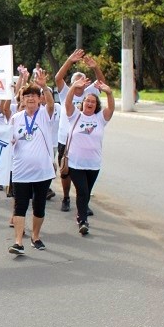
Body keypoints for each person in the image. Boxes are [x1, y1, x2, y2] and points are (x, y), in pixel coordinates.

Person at [7, 70, 55, 255]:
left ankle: (36, 236)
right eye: (27, 96)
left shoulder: (45, 114)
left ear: (39, 99)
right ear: (22, 100)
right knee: (20, 206)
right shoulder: (16, 119)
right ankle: (18, 241)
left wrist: (44, 86)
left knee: (39, 205)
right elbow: (9, 139)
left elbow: (51, 103)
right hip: (20, 171)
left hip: (42, 171)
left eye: (34, 96)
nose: (31, 99)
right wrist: (10, 141)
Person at [54, 49, 105, 213]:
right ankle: (66, 197)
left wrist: (95, 67)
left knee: (84, 172)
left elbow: (102, 84)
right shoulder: (65, 93)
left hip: (84, 141)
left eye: (83, 80)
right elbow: (58, 78)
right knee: (66, 171)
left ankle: (83, 203)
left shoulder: (90, 93)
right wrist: (69, 61)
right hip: (65, 139)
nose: (80, 84)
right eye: (77, 81)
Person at [64, 78, 114, 235]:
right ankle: (83, 220)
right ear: (83, 103)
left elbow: (111, 109)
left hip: (93, 164)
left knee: (86, 192)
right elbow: (67, 103)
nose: (90, 103)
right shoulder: (75, 116)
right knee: (83, 191)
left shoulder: (100, 118)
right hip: (75, 163)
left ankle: (81, 213)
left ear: (96, 105)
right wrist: (73, 87)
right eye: (87, 101)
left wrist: (109, 93)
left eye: (93, 101)